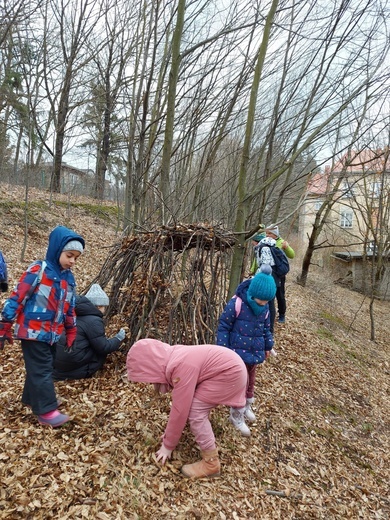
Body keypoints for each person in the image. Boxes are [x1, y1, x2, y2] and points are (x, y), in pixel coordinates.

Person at [0, 226, 85, 428]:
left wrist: (72, 330)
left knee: (41, 367)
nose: (72, 261)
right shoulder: (39, 270)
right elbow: (17, 296)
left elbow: (70, 308)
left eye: (76, 258)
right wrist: (5, 323)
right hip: (32, 331)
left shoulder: (68, 278)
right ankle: (46, 411)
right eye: (69, 255)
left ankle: (32, 399)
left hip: (52, 334)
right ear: (57, 250)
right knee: (42, 369)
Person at [126, 339, 248, 479]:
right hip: (232, 368)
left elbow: (180, 410)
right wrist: (168, 434)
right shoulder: (174, 356)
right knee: (195, 406)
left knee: (195, 411)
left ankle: (211, 463)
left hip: (230, 374)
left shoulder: (180, 367)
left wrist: (168, 445)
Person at [216, 264, 276, 437]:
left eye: (267, 301)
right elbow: (224, 326)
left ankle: (247, 406)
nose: (264, 303)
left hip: (254, 353)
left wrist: (268, 345)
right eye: (262, 300)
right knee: (239, 386)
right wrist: (223, 350)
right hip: (237, 354)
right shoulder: (237, 303)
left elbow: (266, 329)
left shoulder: (264, 309)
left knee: (250, 383)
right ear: (253, 293)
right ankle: (236, 415)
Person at [53, 284, 126, 380]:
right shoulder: (94, 321)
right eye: (104, 306)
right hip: (73, 367)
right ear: (99, 306)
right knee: (99, 351)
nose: (105, 309)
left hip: (58, 366)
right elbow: (103, 347)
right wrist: (118, 338)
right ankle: (83, 372)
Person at [265, 224, 295, 323]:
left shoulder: (281, 242)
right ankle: (268, 314)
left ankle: (282, 314)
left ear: (275, 234)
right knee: (269, 294)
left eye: (270, 233)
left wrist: (286, 248)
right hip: (268, 274)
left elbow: (292, 255)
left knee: (280, 295)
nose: (267, 235)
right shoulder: (265, 242)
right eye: (266, 233)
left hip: (279, 275)